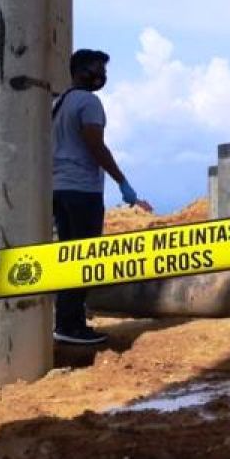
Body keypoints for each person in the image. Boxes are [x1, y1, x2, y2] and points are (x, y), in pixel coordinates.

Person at [52, 48, 153, 344]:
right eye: (97, 69)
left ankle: (67, 322)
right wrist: (123, 182)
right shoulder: (89, 102)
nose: (102, 76)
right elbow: (96, 146)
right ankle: (71, 327)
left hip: (59, 189)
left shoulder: (60, 103)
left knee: (68, 258)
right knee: (83, 260)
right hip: (82, 190)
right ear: (81, 70)